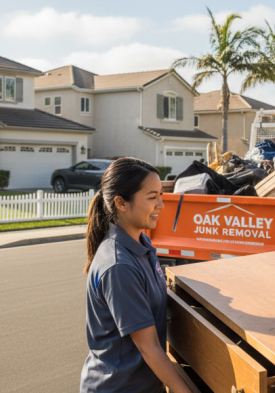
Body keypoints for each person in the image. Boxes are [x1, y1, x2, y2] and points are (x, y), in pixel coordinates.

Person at [80, 157, 190, 393]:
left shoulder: (142, 243)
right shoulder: (119, 266)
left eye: (161, 195)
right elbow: (149, 348)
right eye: (152, 197)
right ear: (121, 202)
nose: (161, 204)